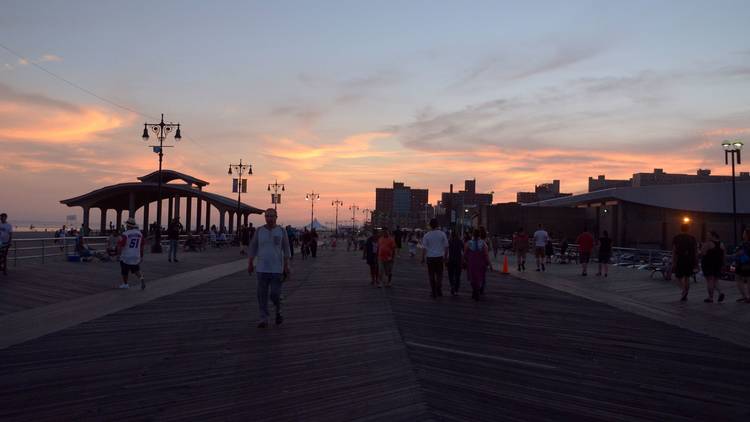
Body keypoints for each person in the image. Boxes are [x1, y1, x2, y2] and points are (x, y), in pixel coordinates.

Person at [247, 208, 291, 328]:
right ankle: (264, 318)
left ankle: (278, 310)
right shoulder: (259, 231)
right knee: (261, 295)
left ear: (276, 217)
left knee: (274, 294)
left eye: (272, 216)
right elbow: (253, 247)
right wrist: (250, 262)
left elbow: (286, 249)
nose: (269, 218)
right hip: (261, 269)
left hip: (277, 269)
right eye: (267, 216)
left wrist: (286, 265)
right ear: (265, 217)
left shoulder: (281, 231)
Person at [421, 219, 449, 298]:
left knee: (431, 275)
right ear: (437, 225)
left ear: (430, 225)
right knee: (439, 274)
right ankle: (438, 288)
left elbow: (424, 248)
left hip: (430, 257)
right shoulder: (442, 234)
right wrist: (446, 257)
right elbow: (446, 246)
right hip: (440, 257)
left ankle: (433, 291)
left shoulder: (427, 235)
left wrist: (423, 258)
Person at [116, 218, 145, 289]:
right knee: (136, 269)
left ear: (128, 226)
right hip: (136, 255)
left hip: (126, 256)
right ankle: (141, 278)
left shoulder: (125, 234)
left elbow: (120, 245)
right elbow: (142, 246)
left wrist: (118, 254)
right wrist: (141, 256)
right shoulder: (140, 234)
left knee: (124, 271)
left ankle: (125, 284)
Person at [672, 223, 698, 302]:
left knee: (678, 277)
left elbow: (674, 250)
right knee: (687, 278)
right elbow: (695, 251)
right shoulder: (692, 238)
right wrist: (696, 262)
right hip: (690, 260)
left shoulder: (676, 238)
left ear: (681, 228)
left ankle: (683, 290)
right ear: (688, 229)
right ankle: (686, 294)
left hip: (680, 259)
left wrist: (674, 261)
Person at [700, 231, 725, 303]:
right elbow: (723, 255)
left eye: (709, 235)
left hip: (708, 264)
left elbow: (702, 253)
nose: (707, 236)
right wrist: (723, 264)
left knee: (709, 280)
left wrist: (702, 247)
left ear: (713, 236)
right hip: (718, 264)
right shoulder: (721, 244)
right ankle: (720, 292)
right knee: (716, 280)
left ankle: (710, 297)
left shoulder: (708, 244)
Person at [465, 228, 489, 301]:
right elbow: (486, 254)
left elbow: (465, 253)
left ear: (473, 234)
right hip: (480, 263)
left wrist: (464, 260)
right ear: (479, 235)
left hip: (471, 263)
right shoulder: (483, 243)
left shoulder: (469, 243)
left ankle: (475, 290)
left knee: (472, 279)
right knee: (478, 278)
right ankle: (477, 291)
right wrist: (489, 263)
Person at [733, 228, 750, 303]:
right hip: (747, 263)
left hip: (743, 264)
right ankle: (747, 297)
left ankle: (745, 296)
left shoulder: (744, 243)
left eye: (744, 233)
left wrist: (734, 255)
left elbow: (739, 253)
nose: (743, 234)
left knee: (738, 278)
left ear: (747, 235)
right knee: (748, 279)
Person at [447, 229, 464, 296]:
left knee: (451, 275)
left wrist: (445, 259)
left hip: (450, 260)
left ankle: (452, 285)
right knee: (457, 276)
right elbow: (463, 251)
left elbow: (446, 251)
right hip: (458, 260)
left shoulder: (449, 241)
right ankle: (456, 289)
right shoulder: (460, 241)